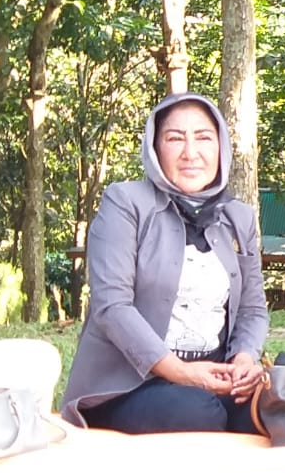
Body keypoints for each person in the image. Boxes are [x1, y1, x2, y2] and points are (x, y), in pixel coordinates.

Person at [60, 94, 269, 434]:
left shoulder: (238, 216)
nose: (191, 152)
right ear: (155, 148)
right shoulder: (125, 202)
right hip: (132, 383)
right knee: (199, 414)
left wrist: (244, 358)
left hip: (217, 376)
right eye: (175, 138)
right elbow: (112, 306)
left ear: (221, 147)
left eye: (203, 137)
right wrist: (181, 373)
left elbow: (252, 309)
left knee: (275, 406)